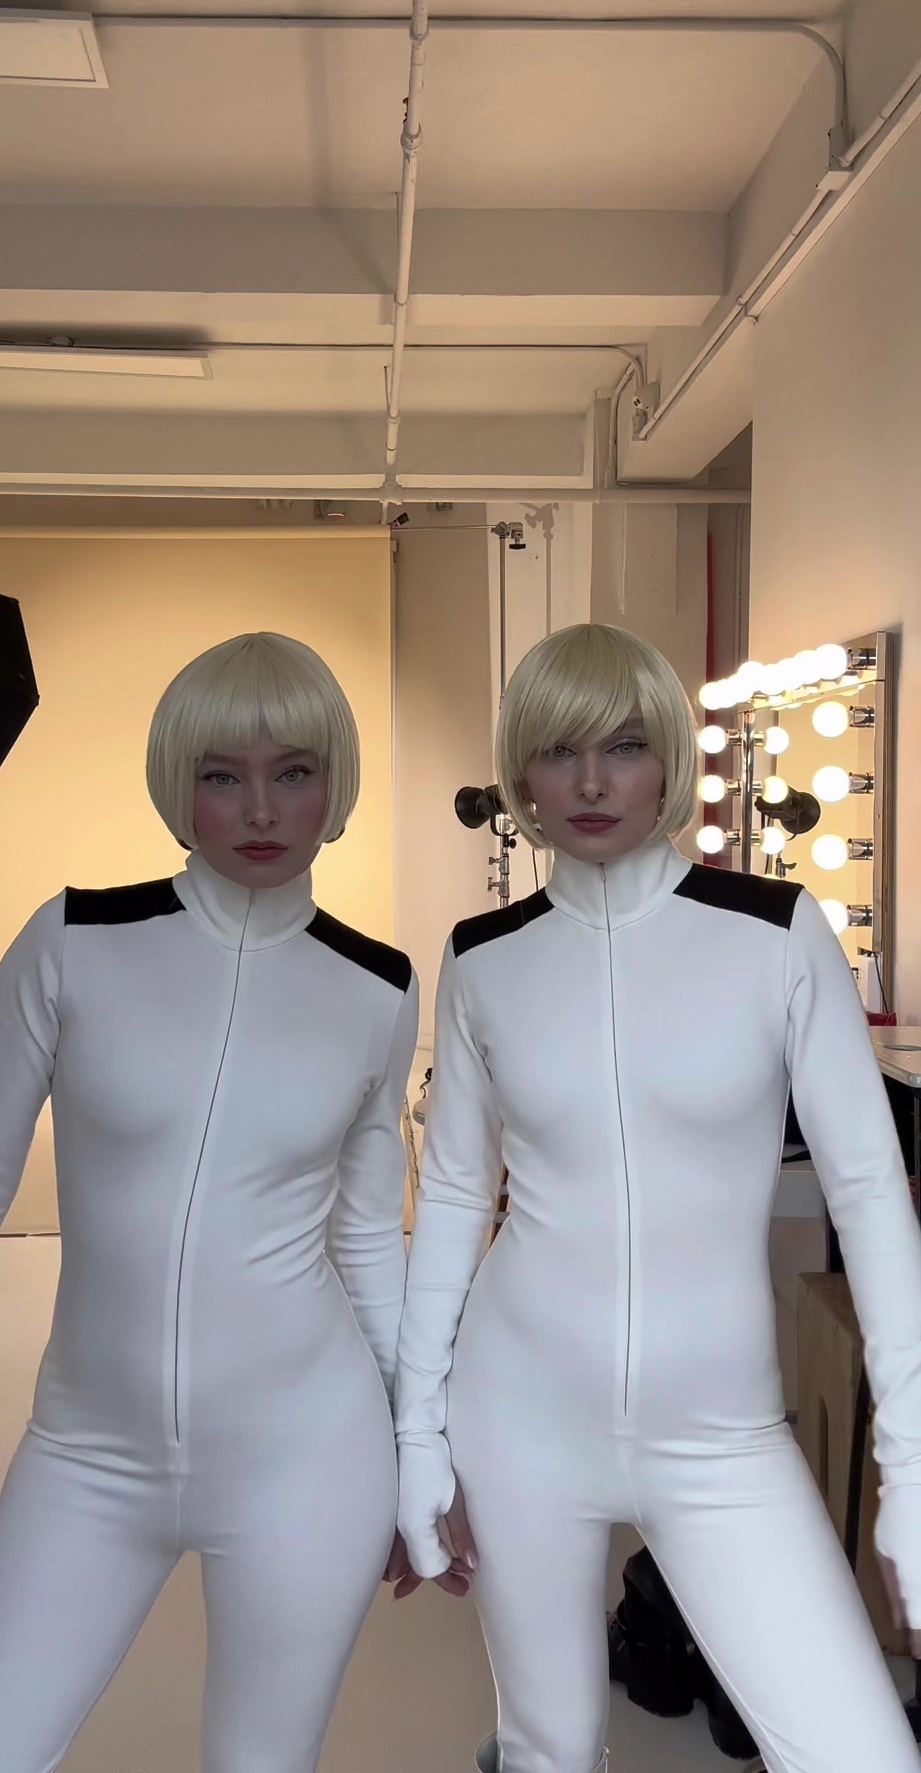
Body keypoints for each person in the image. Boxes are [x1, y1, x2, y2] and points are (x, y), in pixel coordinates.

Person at [0, 631, 419, 1773]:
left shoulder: (376, 987)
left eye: (294, 773)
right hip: (85, 1453)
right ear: (176, 784)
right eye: (222, 775)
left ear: (335, 785)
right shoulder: (74, 941)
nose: (261, 808)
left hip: (309, 1456)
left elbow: (365, 1234)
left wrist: (422, 1451)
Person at [392, 621, 921, 1773]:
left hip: (722, 1434)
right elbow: (456, 1197)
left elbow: (873, 1194)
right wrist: (416, 1432)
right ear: (522, 771)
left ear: (671, 758)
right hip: (518, 1416)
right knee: (548, 1751)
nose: (590, 783)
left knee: (862, 1756)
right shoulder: (483, 957)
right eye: (559, 750)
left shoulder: (775, 933)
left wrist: (913, 1469)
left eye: (624, 747)